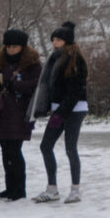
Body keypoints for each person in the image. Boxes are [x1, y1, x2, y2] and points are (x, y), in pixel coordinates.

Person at [32, 21, 88, 204]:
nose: (54, 42)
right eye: (53, 39)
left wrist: (62, 112)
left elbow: (75, 90)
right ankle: (52, 188)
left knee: (70, 148)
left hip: (74, 110)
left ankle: (75, 189)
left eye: (57, 39)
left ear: (66, 41)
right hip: (58, 110)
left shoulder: (76, 60)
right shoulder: (55, 58)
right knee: (45, 145)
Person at [0, 28, 41, 200]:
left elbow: (36, 85)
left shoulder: (32, 64)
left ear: (22, 47)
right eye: (8, 46)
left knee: (14, 151)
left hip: (20, 112)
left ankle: (19, 189)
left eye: (14, 46)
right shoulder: (0, 63)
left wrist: (15, 86)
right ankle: (10, 187)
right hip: (1, 113)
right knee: (5, 151)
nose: (10, 49)